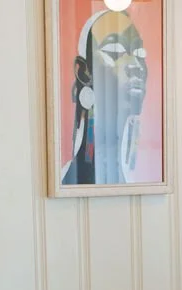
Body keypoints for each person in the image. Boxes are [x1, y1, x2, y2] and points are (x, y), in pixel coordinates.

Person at [62, 9, 149, 186]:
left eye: (140, 54)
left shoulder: (137, 178)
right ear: (84, 72)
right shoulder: (71, 179)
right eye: (115, 51)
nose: (135, 65)